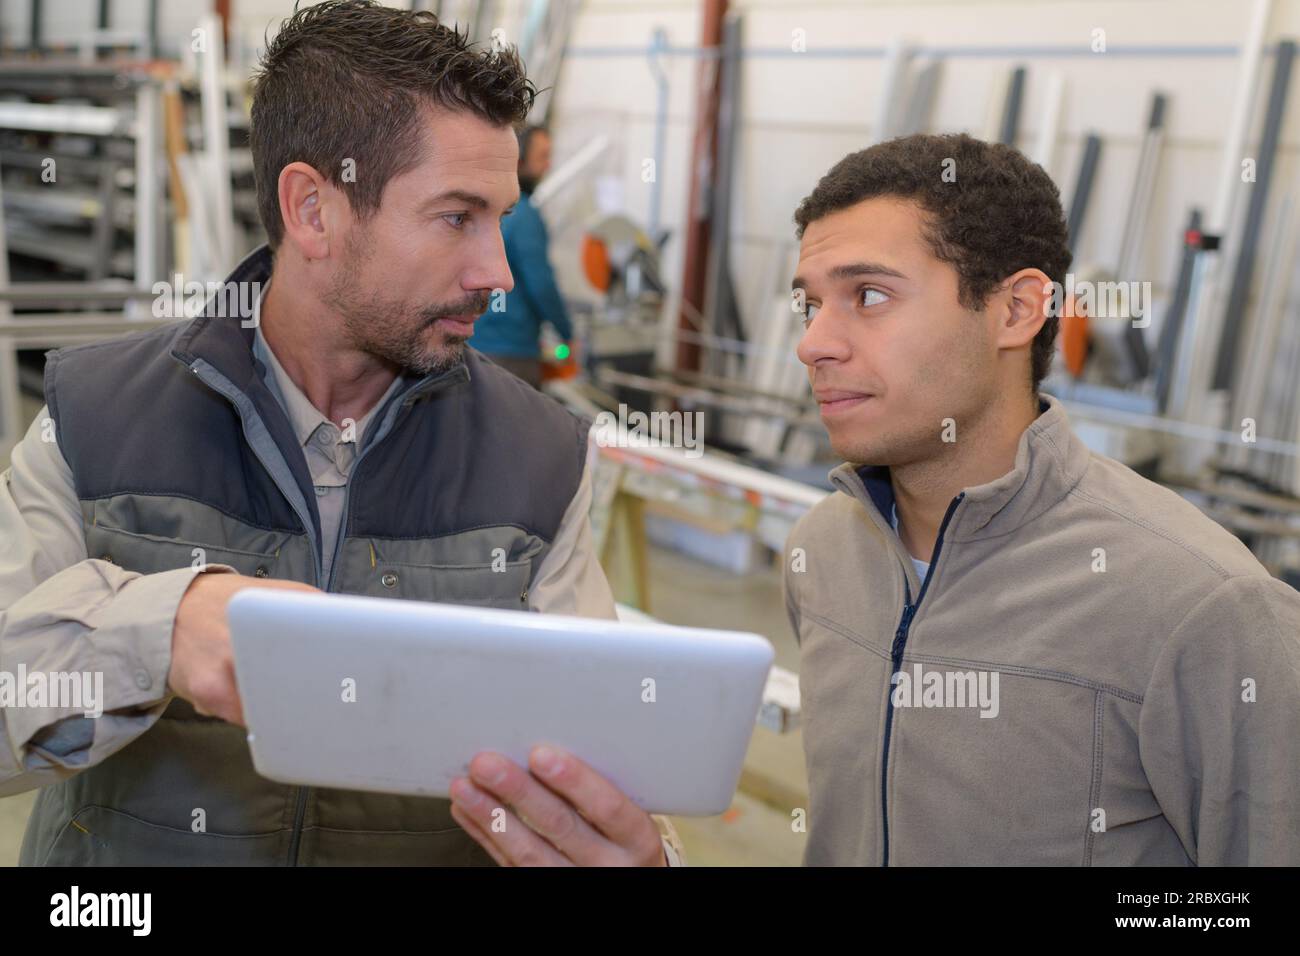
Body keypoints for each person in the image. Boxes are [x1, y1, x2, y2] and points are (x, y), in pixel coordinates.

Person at [0, 0, 672, 867]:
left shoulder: (544, 461)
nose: (497, 272)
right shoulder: (90, 417)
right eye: (457, 216)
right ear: (313, 210)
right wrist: (161, 629)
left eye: (502, 218)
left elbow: (600, 766)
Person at [784, 132, 1300, 865]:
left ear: (1017, 310)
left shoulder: (1206, 609)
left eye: (868, 295)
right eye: (810, 304)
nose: (814, 343)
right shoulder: (820, 553)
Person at [469, 125, 573, 388]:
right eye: (543, 157)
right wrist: (567, 334)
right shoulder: (525, 215)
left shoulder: (481, 209)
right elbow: (542, 283)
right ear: (519, 159)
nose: (547, 166)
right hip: (510, 353)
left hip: (473, 345)